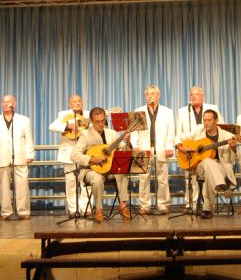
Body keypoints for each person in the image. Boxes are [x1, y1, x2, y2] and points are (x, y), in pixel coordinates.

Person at [70, 107, 131, 223]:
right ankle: (99, 209)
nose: (100, 124)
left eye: (103, 121)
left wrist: (127, 141)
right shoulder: (85, 135)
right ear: (91, 122)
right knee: (97, 179)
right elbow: (74, 155)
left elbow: (122, 150)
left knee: (121, 172)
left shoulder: (112, 133)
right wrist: (92, 159)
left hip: (109, 169)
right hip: (91, 170)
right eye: (97, 122)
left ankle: (123, 205)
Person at [176, 110, 237, 219]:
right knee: (208, 161)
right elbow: (178, 138)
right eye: (204, 120)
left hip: (221, 169)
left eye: (209, 120)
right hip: (200, 168)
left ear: (216, 121)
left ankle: (207, 210)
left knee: (209, 172)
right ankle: (223, 186)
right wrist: (181, 148)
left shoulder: (228, 136)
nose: (206, 123)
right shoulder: (199, 131)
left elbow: (234, 159)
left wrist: (233, 148)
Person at [176, 86, 223, 212]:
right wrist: (180, 147)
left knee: (206, 178)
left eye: (196, 94)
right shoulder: (183, 111)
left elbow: (221, 128)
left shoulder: (213, 108)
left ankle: (207, 205)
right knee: (190, 180)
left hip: (208, 151)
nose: (193, 96)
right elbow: (179, 133)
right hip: (190, 150)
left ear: (202, 96)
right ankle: (190, 205)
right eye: (191, 94)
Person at [0, 95, 34, 220]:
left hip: (20, 156)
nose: (5, 104)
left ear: (15, 104)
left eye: (8, 102)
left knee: (22, 186)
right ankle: (6, 212)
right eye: (3, 102)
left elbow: (29, 139)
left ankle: (23, 211)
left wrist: (30, 154)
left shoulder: (24, 120)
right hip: (1, 157)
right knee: (4, 187)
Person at [131, 85, 175, 215]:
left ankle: (163, 204)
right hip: (143, 148)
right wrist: (135, 145)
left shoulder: (167, 111)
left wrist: (169, 146)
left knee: (162, 179)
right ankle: (144, 205)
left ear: (158, 96)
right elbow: (133, 131)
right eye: (148, 94)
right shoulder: (138, 111)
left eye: (153, 93)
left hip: (161, 148)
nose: (150, 96)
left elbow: (171, 131)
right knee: (143, 178)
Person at [49, 94, 90, 218]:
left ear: (82, 102)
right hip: (68, 152)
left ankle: (86, 208)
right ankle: (73, 209)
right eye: (74, 102)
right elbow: (52, 126)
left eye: (79, 101)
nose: (77, 103)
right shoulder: (64, 114)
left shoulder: (88, 114)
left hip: (85, 152)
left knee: (86, 182)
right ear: (70, 104)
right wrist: (67, 126)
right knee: (71, 182)